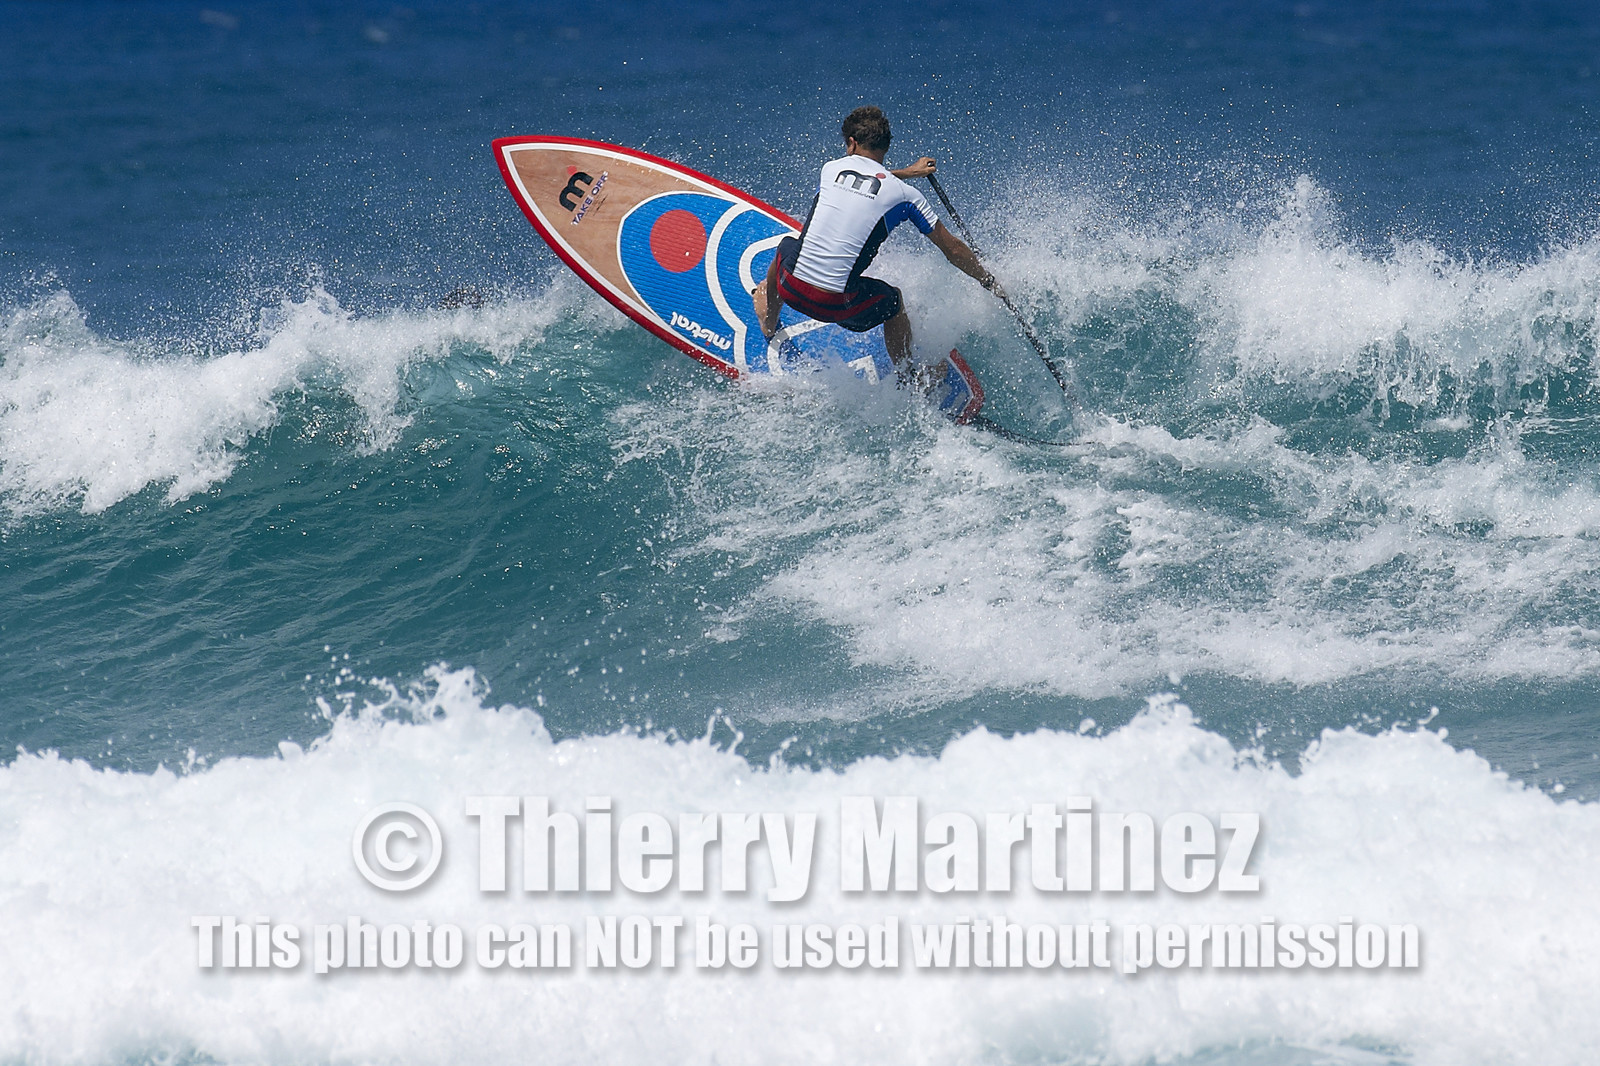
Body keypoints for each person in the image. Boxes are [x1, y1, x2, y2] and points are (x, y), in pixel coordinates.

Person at [753, 105, 996, 387]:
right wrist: (988, 280)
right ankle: (909, 376)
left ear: (852, 143)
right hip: (838, 306)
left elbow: (862, 182)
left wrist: (906, 172)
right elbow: (952, 249)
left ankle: (769, 321)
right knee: (894, 302)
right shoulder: (907, 196)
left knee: (786, 246)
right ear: (886, 145)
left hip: (790, 288)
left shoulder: (830, 169)